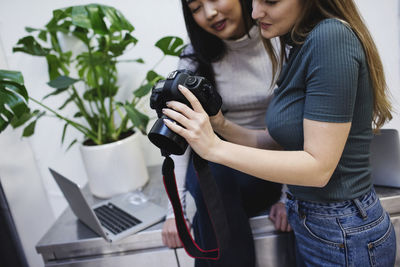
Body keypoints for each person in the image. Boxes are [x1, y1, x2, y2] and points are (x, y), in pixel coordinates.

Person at [161, 0, 398, 266]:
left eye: (270, 1)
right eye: (255, 1)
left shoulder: (330, 39)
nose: (255, 12)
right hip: (316, 222)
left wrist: (215, 148)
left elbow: (318, 168)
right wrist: (220, 125)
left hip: (341, 227)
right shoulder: (301, 45)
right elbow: (273, 140)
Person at [161, 0, 291, 266]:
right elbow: (180, 131)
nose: (209, 13)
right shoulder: (194, 57)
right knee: (210, 168)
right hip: (219, 168)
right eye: (196, 8)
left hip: (270, 165)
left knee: (207, 209)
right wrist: (174, 212)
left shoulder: (282, 42)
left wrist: (289, 196)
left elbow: (297, 125)